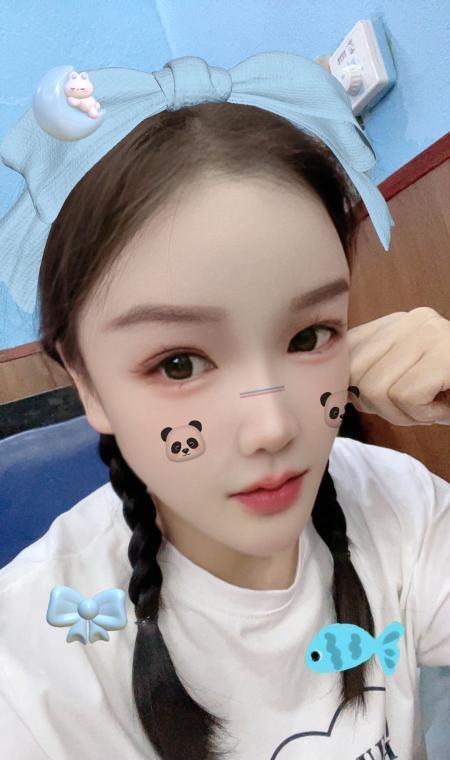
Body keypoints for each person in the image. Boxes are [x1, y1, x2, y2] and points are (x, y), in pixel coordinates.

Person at [0, 53, 448, 760]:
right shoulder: (29, 668)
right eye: (179, 363)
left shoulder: (397, 503)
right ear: (87, 383)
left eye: (309, 336)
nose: (273, 428)